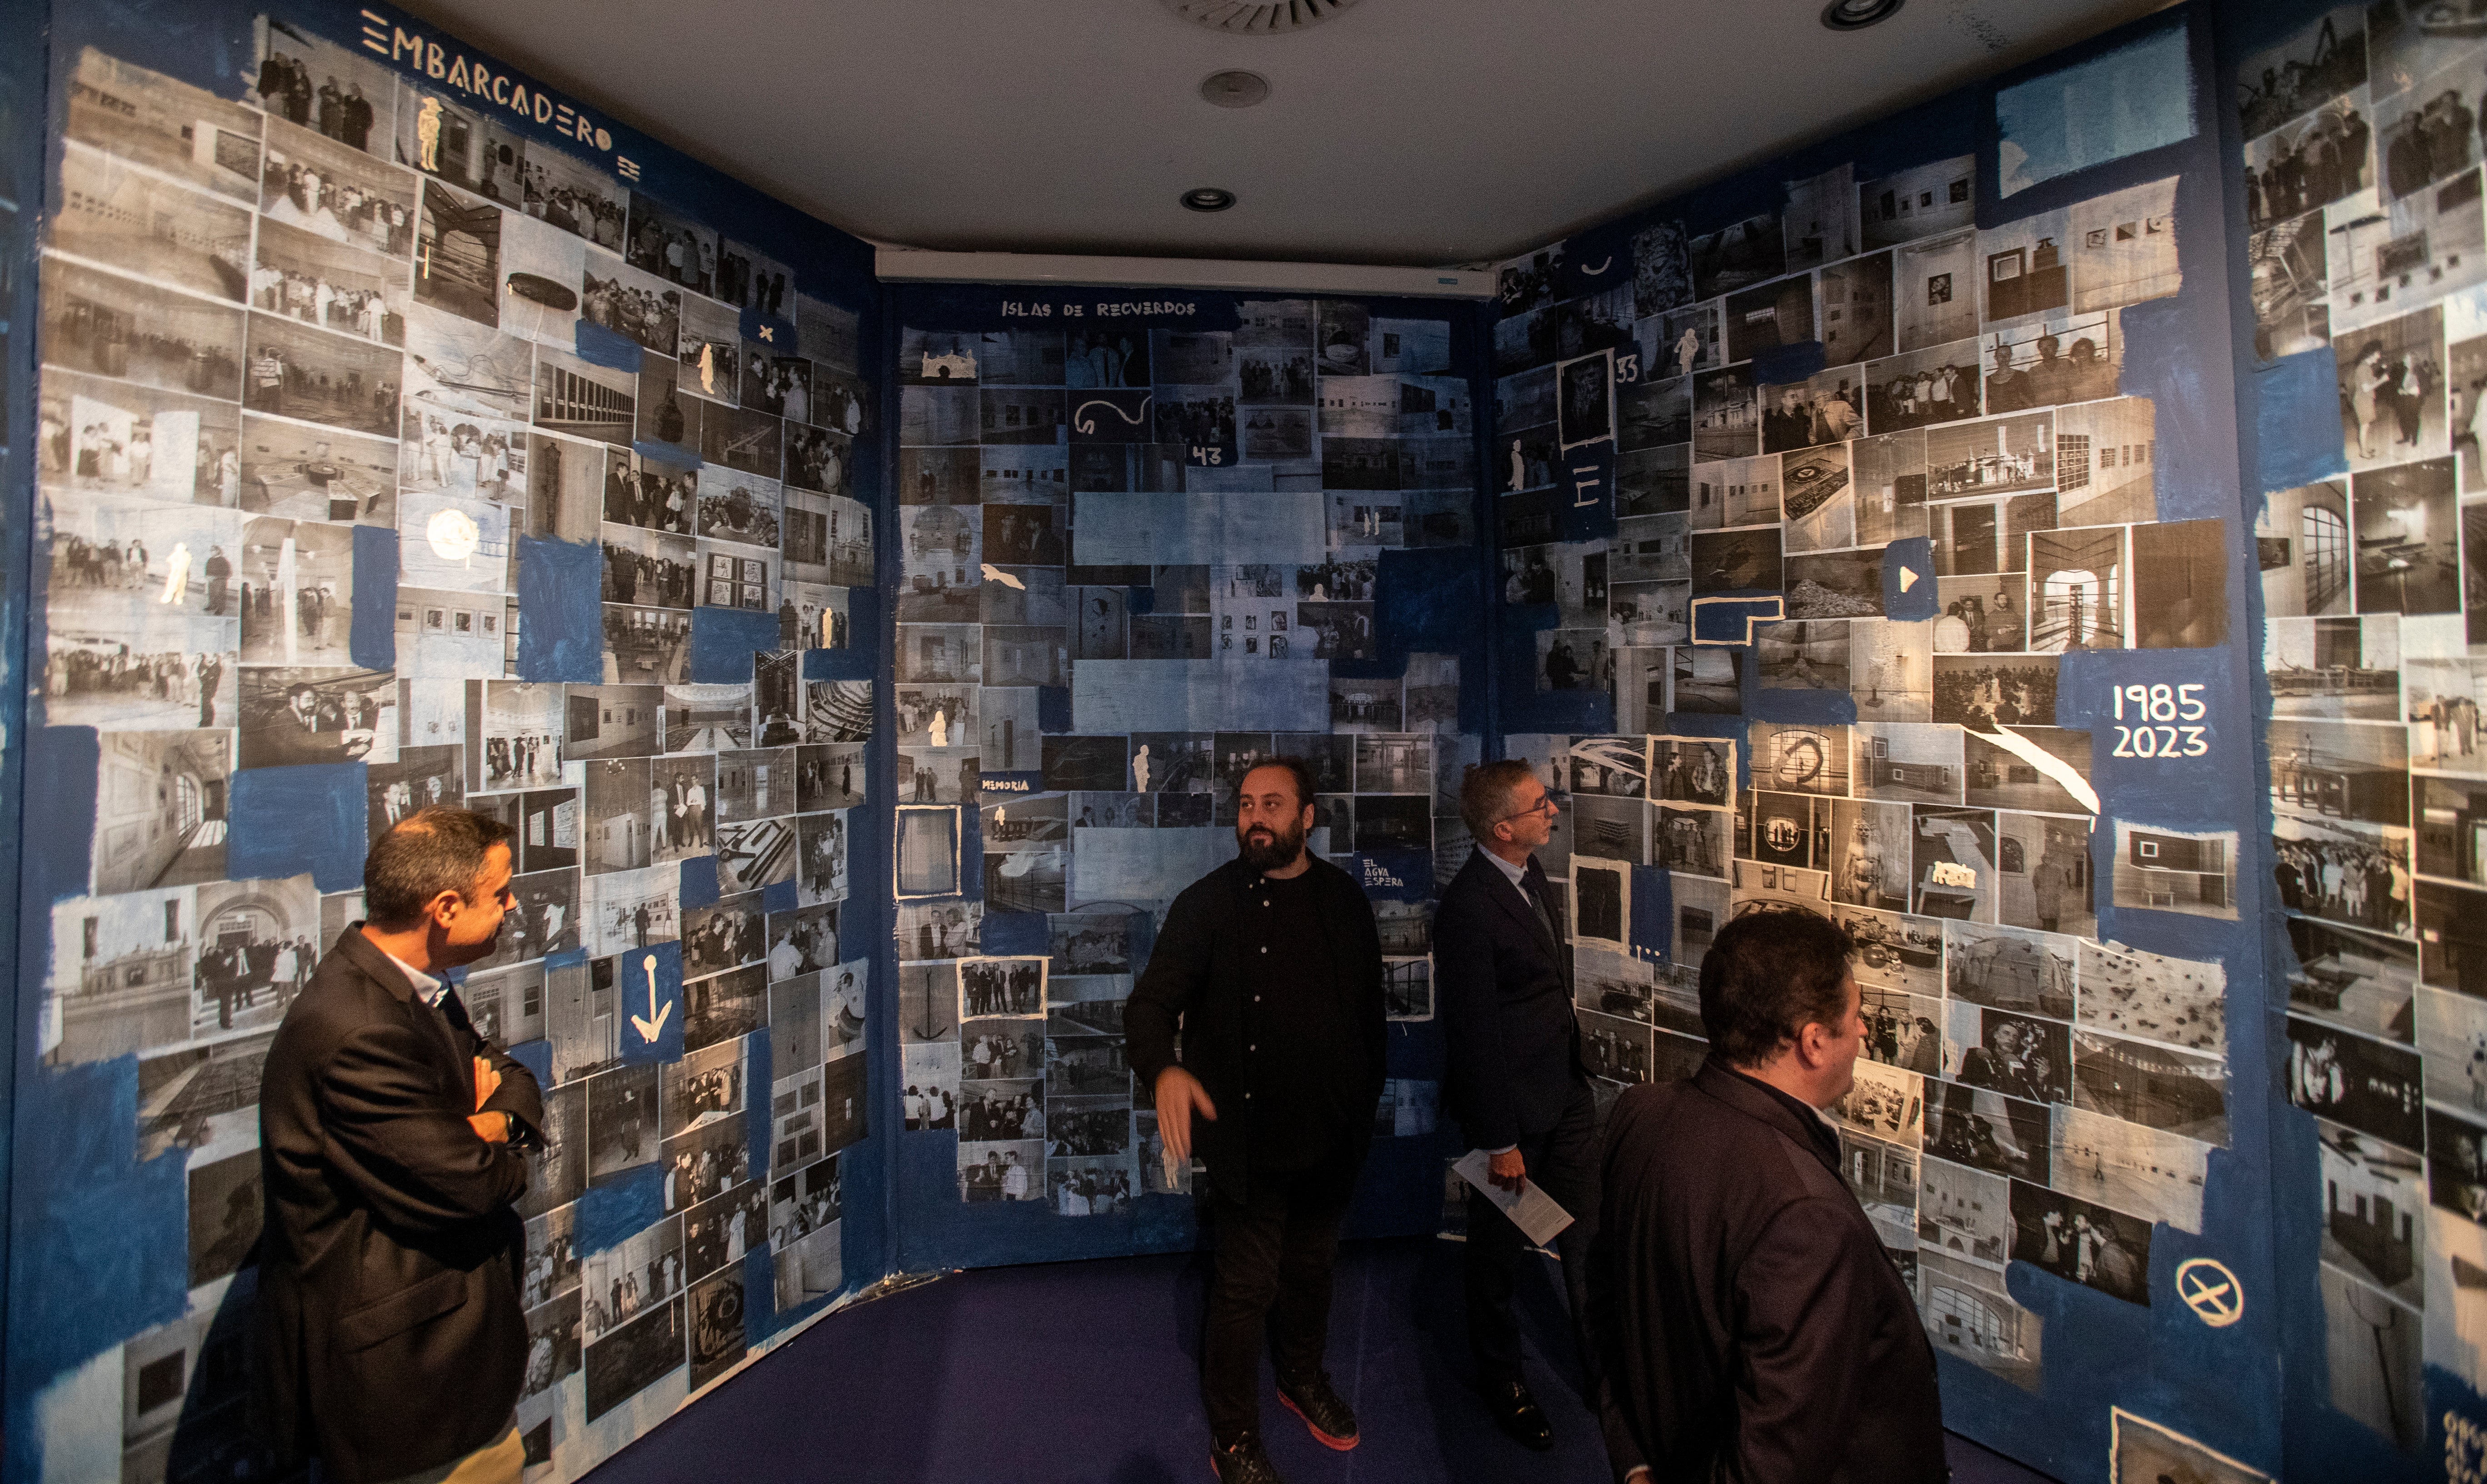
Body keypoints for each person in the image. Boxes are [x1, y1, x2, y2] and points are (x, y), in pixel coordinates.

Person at [1588, 907, 1943, 1484]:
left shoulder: (1640, 1113)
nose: (1863, 1032)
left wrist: (1635, 1461)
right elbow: (1774, 1464)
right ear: (1813, 1042)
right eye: (1856, 1016)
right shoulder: (1806, 1219)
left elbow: (1607, 1306)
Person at [254, 809, 545, 1484]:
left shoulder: (407, 989)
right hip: (406, 1391)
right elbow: (477, 1181)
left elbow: (513, 1082)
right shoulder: (358, 1027)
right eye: (500, 893)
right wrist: (486, 1136)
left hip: (447, 1367)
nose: (513, 905)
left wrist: (492, 1121)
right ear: (444, 908)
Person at [1128, 758, 1387, 1484]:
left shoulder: (1344, 899)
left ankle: (1301, 1378)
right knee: (1244, 1290)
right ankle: (1233, 1436)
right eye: (1246, 805)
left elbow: (1370, 1020)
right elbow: (1149, 1008)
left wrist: (1360, 1113)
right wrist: (1165, 1068)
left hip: (1332, 1142)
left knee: (1312, 1270)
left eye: (1272, 804)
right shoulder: (1207, 905)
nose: (1255, 818)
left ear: (1308, 817)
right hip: (1249, 1145)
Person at [1434, 760, 1602, 1452]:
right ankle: (1503, 1378)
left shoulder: (1530, 875)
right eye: (1541, 805)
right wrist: (1501, 1138)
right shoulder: (1469, 909)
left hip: (1566, 1095)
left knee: (1589, 1238)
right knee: (1499, 1256)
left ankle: (1604, 1370)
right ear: (1504, 828)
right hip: (1513, 1118)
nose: (1554, 811)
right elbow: (1472, 1035)